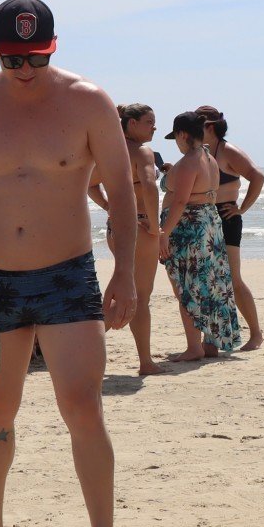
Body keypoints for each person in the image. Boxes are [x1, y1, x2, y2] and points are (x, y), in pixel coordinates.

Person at [0, 0, 141, 527]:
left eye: (35, 57)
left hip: (67, 277)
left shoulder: (87, 102)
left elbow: (122, 193)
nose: (24, 70)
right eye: (13, 59)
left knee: (82, 407)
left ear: (53, 47)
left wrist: (125, 272)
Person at [158, 110, 240, 363]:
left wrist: (164, 233)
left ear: (183, 134)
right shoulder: (208, 157)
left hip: (188, 227)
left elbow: (181, 200)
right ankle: (211, 343)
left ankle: (194, 346)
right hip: (208, 222)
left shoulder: (189, 161)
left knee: (186, 286)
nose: (177, 144)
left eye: (177, 138)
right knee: (210, 283)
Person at [91, 103, 164, 377]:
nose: (154, 127)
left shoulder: (109, 151)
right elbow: (149, 185)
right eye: (149, 122)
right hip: (139, 227)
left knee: (123, 290)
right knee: (140, 297)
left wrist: (110, 207)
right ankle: (145, 361)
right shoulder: (142, 151)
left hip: (115, 227)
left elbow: (89, 182)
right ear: (131, 123)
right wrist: (157, 228)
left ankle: (83, 347)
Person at [195, 106, 264, 351]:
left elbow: (257, 176)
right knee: (208, 280)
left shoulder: (227, 151)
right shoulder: (199, 151)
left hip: (226, 217)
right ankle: (211, 340)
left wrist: (241, 209)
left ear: (210, 127)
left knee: (233, 279)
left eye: (198, 124)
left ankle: (256, 334)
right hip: (204, 218)